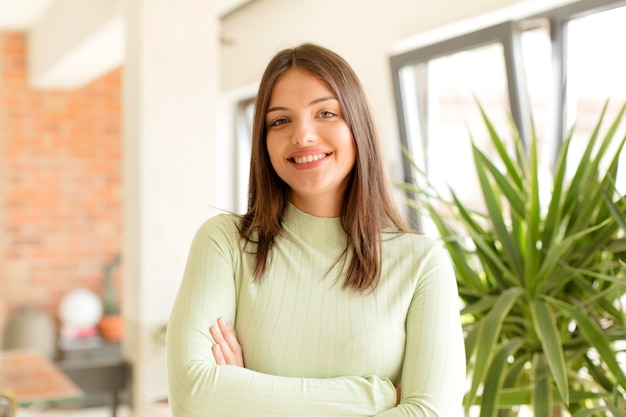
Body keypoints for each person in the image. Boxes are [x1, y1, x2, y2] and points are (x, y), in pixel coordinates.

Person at [166, 43, 466, 416]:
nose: (302, 135)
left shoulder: (421, 263)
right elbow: (194, 396)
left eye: (325, 113)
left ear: (357, 124)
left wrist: (247, 397)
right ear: (264, 141)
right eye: (280, 121)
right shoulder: (225, 243)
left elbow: (432, 413)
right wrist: (374, 397)